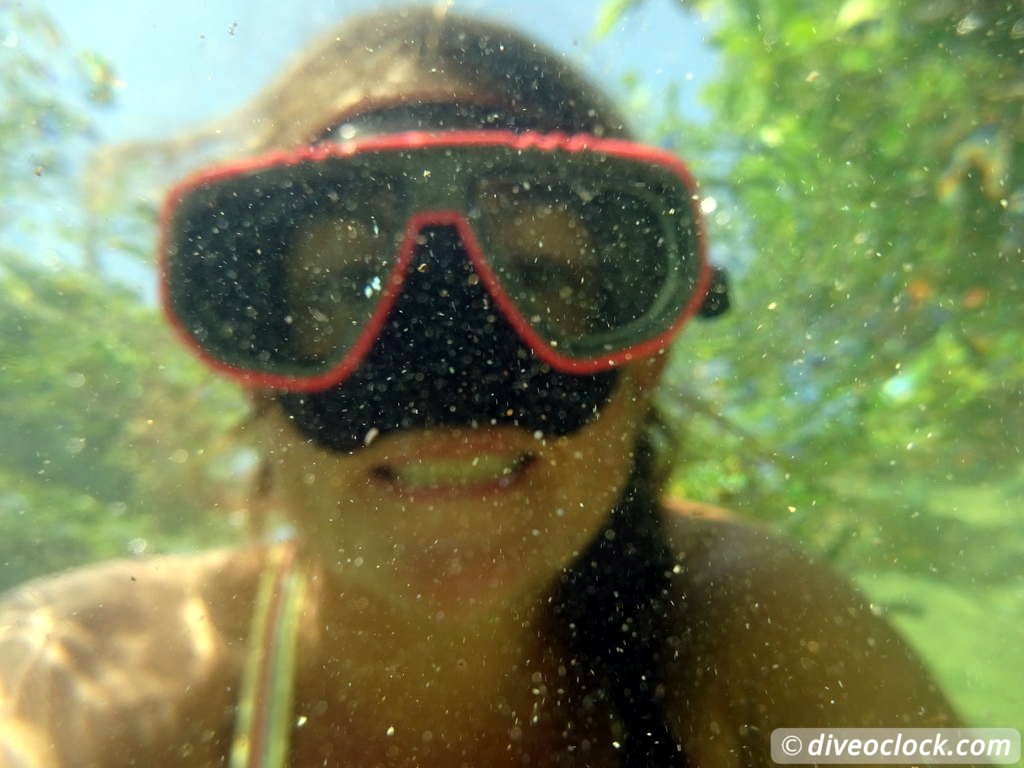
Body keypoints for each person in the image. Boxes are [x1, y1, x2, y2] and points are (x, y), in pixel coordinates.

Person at [0, 8, 963, 768]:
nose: (445, 378)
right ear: (251, 363)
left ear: (650, 356)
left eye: (540, 276)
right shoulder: (80, 682)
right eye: (347, 286)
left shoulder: (757, 625)